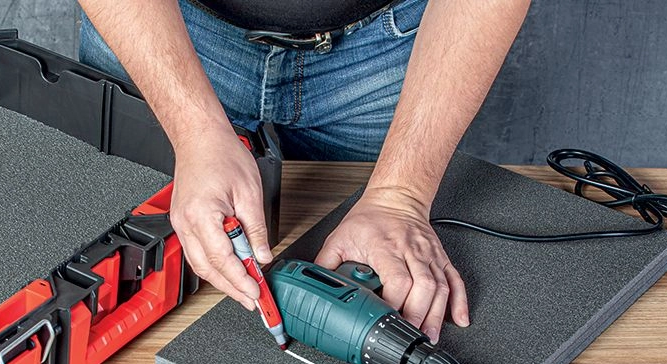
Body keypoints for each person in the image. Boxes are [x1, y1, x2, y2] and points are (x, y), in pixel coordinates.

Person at [78, 0, 529, 342]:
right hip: (164, 32)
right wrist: (194, 129)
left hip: (390, 49)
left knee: (387, 252)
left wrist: (400, 195)